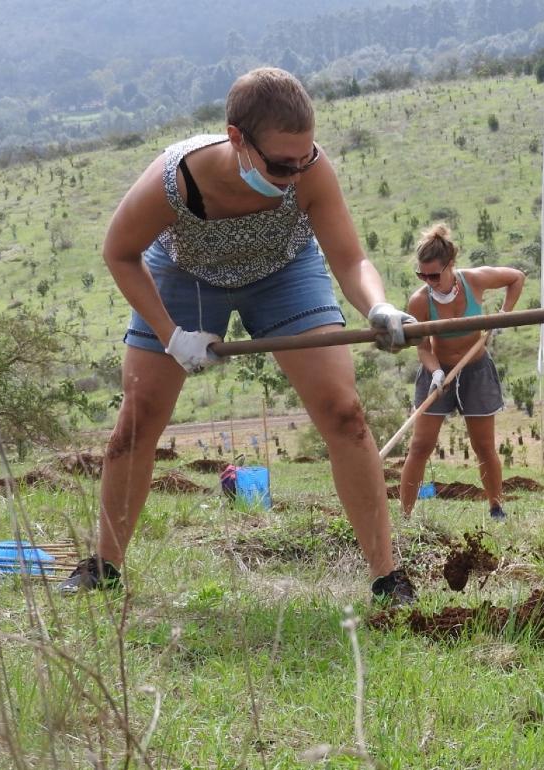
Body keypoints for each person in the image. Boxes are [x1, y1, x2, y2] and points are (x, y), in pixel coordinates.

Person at [59, 67, 419, 605]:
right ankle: (104, 566)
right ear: (236, 139)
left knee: (344, 412)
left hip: (284, 274)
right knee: (136, 422)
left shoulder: (310, 170)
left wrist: (378, 305)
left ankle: (387, 578)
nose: (295, 174)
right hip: (185, 277)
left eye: (304, 159)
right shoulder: (175, 178)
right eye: (280, 165)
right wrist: (171, 335)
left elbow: (349, 259)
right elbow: (119, 253)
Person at [399, 224, 524, 520]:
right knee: (420, 445)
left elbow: (516, 278)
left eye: (434, 275)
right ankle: (405, 516)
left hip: (475, 370)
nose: (428, 281)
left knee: (483, 445)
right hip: (438, 374)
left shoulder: (474, 281)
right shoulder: (420, 301)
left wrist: (504, 315)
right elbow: (423, 347)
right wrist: (435, 373)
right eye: (422, 275)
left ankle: (496, 509)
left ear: (450, 265)